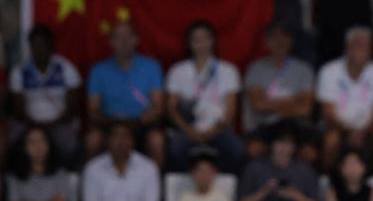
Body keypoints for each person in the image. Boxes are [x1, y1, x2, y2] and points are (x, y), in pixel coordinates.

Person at [166, 20, 243, 172]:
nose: (201, 44)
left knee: (238, 152)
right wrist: (189, 131)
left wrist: (213, 131)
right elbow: (171, 109)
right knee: (174, 150)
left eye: (205, 38)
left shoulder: (228, 70)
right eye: (196, 40)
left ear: (212, 41)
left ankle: (214, 185)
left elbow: (230, 112)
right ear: (189, 43)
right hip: (188, 129)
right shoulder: (178, 71)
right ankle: (189, 187)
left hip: (218, 129)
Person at [316, 27, 373, 175]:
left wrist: (362, 132)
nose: (362, 51)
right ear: (347, 48)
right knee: (331, 140)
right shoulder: (329, 71)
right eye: (358, 46)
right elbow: (328, 113)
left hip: (370, 128)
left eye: (366, 47)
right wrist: (348, 131)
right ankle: (327, 183)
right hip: (338, 127)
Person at [86, 21, 164, 163]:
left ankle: (155, 184)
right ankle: (92, 183)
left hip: (141, 124)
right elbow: (93, 110)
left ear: (136, 40)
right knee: (93, 140)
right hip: (110, 124)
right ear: (111, 42)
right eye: (118, 37)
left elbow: (157, 107)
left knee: (156, 141)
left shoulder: (151, 66)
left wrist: (137, 122)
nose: (124, 42)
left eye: (128, 37)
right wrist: (114, 123)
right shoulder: (98, 70)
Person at [9, 23, 81, 158]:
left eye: (43, 44)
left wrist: (53, 125)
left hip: (60, 123)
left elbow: (73, 107)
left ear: (51, 45)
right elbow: (18, 111)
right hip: (28, 123)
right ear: (30, 46)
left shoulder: (66, 68)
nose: (39, 48)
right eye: (35, 44)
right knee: (13, 141)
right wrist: (36, 126)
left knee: (69, 146)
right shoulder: (19, 71)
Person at [243, 21, 315, 149]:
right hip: (264, 126)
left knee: (309, 152)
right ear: (266, 41)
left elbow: (305, 109)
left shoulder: (304, 70)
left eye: (284, 36)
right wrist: (293, 100)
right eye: (274, 36)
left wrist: (271, 104)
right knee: (255, 149)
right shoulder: (256, 69)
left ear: (291, 40)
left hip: (295, 126)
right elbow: (258, 105)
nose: (279, 41)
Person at [6, 125, 72, 201]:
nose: (38, 146)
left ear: (49, 144)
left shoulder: (60, 174)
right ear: (24, 147)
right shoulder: (14, 177)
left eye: (42, 140)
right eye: (32, 142)